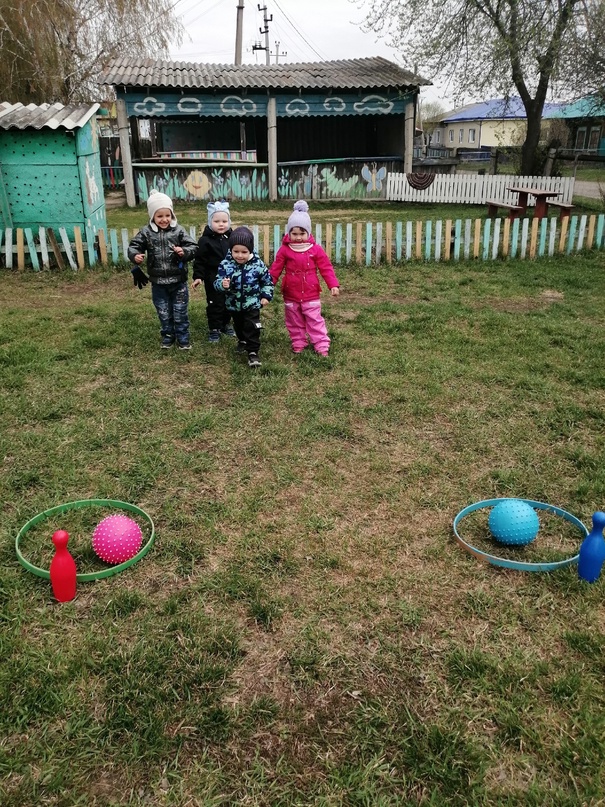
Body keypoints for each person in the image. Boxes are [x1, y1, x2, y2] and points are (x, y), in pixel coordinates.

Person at [128, 189, 198, 350]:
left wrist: (184, 252)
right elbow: (134, 246)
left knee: (180, 311)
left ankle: (183, 337)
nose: (164, 219)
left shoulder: (178, 230)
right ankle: (168, 335)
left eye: (168, 215)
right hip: (158, 282)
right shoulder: (146, 233)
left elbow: (193, 246)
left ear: (172, 214)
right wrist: (135, 255)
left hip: (178, 281)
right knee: (163, 311)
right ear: (152, 216)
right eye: (160, 216)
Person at [270, 200, 340, 357]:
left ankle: (321, 345)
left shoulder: (315, 249)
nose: (298, 237)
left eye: (302, 233)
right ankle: (298, 342)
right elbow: (275, 269)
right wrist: (268, 286)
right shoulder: (284, 250)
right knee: (294, 321)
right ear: (288, 233)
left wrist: (333, 285)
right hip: (291, 293)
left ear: (308, 233)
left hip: (311, 293)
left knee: (314, 320)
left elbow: (326, 267)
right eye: (294, 234)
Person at [214, 227, 273, 368]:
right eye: (236, 251)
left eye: (244, 252)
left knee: (252, 327)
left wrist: (266, 296)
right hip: (233, 304)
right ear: (231, 250)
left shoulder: (258, 265)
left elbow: (267, 282)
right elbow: (216, 283)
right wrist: (223, 284)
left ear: (250, 250)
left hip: (252, 304)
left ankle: (253, 352)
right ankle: (242, 340)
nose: (240, 255)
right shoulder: (225, 265)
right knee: (239, 325)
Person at [191, 200, 235, 343]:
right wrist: (198, 276)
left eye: (224, 221)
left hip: (230, 278)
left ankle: (225, 324)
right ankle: (214, 328)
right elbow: (200, 260)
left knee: (229, 302)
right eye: (216, 221)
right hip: (213, 278)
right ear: (210, 222)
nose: (221, 224)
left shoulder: (232, 238)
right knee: (215, 303)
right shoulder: (205, 240)